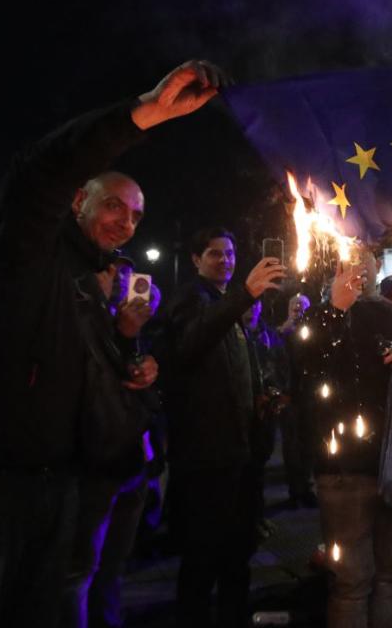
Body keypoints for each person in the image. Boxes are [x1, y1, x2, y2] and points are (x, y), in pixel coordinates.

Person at [0, 60, 223, 628]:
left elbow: (71, 368)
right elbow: (38, 171)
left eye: (137, 215)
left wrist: (127, 351)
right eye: (114, 205)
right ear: (78, 202)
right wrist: (142, 112)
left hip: (61, 484)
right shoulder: (26, 247)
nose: (126, 222)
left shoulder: (99, 281)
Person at [296, 244, 392, 628]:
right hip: (344, 470)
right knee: (353, 581)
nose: (358, 268)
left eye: (365, 260)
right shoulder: (320, 316)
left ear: (377, 266)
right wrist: (335, 311)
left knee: (389, 576)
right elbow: (307, 373)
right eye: (349, 261)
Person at [160, 227, 286, 628]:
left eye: (230, 254)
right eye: (215, 254)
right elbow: (193, 340)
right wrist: (244, 294)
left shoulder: (224, 304)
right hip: (206, 456)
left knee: (237, 552)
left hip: (238, 452)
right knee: (202, 556)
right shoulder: (191, 300)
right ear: (196, 260)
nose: (226, 261)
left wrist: (261, 397)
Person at [63, 263, 163, 628]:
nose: (119, 281)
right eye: (109, 273)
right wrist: (123, 335)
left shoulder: (131, 327)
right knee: (79, 572)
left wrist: (143, 361)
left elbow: (145, 398)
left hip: (132, 465)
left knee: (113, 567)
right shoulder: (84, 323)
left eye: (126, 276)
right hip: (95, 470)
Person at [275, 293, 319, 507]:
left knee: (308, 442)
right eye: (295, 304)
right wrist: (284, 332)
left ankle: (308, 487)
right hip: (288, 394)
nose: (298, 308)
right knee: (291, 444)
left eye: (303, 306)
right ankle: (295, 490)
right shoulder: (281, 333)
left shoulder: (312, 332)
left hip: (309, 393)